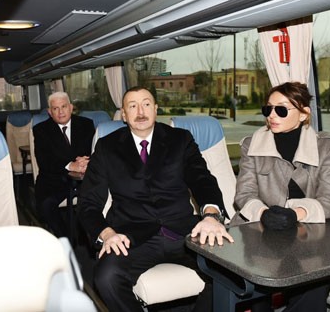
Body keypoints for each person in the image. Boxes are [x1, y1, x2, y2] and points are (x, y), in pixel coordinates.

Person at [78, 86, 233, 312]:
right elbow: (88, 203)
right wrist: (107, 233)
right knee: (106, 277)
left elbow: (202, 180)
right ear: (124, 114)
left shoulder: (180, 139)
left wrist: (211, 215)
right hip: (131, 236)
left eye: (146, 104)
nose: (141, 111)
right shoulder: (107, 147)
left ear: (156, 109)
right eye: (133, 106)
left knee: (231, 271)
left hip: (184, 232)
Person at [233, 81, 330, 312]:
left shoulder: (326, 147)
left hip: (308, 234)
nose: (272, 115)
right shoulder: (251, 145)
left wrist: (297, 213)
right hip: (258, 231)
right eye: (268, 109)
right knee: (258, 281)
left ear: (304, 114)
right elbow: (244, 194)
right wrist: (264, 213)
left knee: (313, 286)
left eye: (281, 110)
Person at [33, 92, 95, 237]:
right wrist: (70, 165)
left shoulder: (86, 124)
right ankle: (65, 238)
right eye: (55, 108)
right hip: (54, 179)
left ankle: (93, 237)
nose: (60, 112)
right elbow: (44, 161)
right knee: (46, 205)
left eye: (64, 107)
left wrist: (86, 161)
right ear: (50, 112)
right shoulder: (41, 130)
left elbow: (94, 151)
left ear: (71, 107)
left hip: (84, 179)